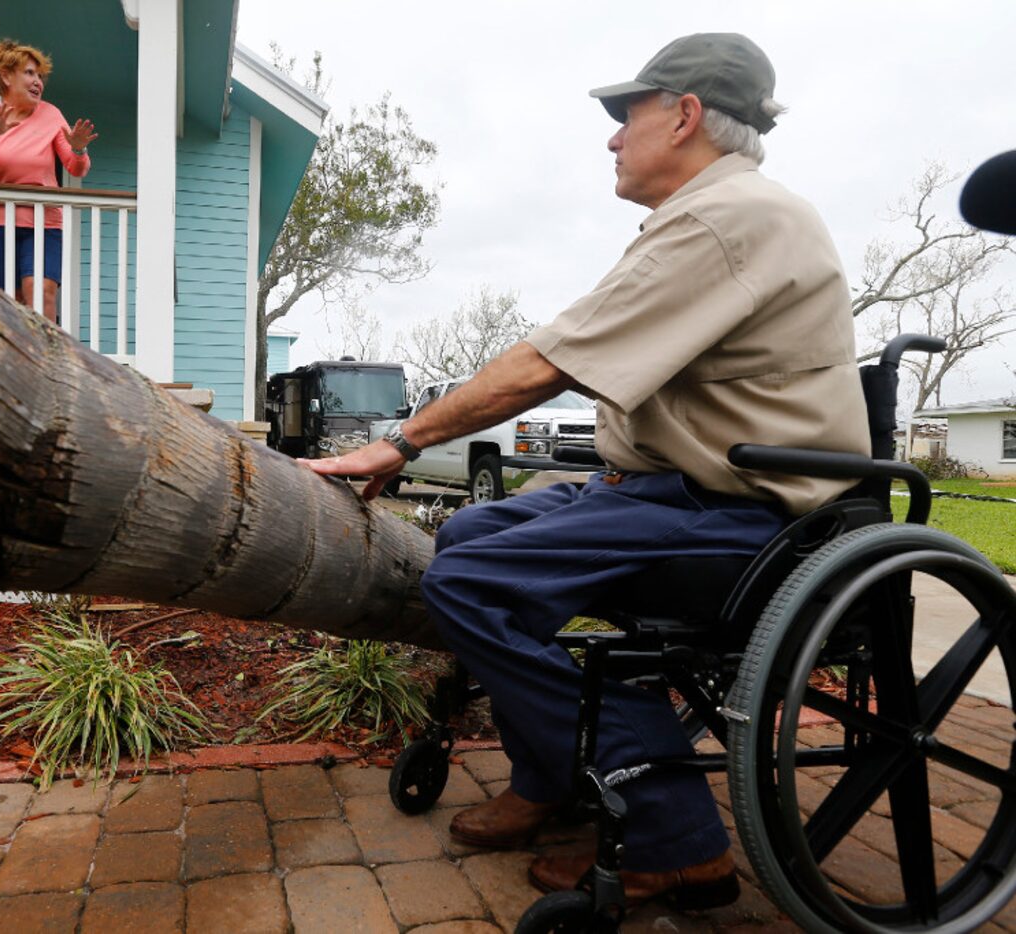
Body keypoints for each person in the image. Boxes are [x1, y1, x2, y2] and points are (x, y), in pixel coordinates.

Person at [305, 33, 870, 906]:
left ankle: (677, 839)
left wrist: (402, 443)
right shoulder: (715, 218)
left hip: (747, 521)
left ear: (685, 117)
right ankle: (552, 775)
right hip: (679, 493)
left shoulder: (731, 219)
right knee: (470, 526)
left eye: (627, 116)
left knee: (473, 580)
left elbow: (545, 366)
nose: (612, 138)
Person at [0, 38, 99, 326]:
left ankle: (46, 360)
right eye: (30, 73)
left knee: (41, 291)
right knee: (11, 299)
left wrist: (79, 148)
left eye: (40, 76)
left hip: (45, 220)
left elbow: (76, 167)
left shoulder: (51, 114)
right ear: (6, 76)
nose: (38, 82)